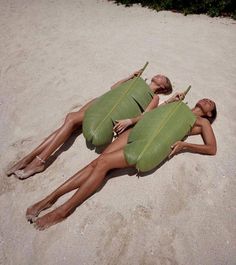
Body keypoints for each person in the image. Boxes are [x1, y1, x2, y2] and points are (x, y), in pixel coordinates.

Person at [26, 98, 217, 230]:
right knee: (96, 163)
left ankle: (64, 210)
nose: (207, 100)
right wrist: (131, 121)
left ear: (209, 114)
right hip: (136, 131)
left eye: (211, 104)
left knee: (103, 163)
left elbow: (211, 148)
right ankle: (50, 198)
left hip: (148, 143)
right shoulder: (178, 105)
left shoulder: (201, 122)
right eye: (207, 98)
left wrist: (184, 144)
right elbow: (150, 116)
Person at [6, 69, 175, 179]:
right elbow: (113, 88)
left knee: (71, 119)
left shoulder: (155, 98)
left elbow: (145, 116)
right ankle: (29, 159)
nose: (160, 75)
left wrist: (129, 121)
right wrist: (130, 77)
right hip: (101, 103)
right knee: (69, 123)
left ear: (162, 86)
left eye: (163, 78)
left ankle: (39, 161)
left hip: (113, 116)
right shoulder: (138, 81)